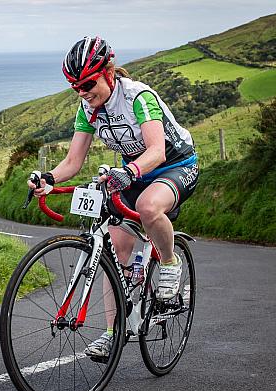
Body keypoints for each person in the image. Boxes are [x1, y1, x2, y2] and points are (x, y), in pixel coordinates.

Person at [28, 36, 199, 358]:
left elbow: (157, 151)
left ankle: (169, 262)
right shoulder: (87, 108)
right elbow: (72, 162)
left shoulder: (138, 96)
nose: (82, 92)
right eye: (75, 86)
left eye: (88, 83)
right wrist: (48, 179)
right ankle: (113, 332)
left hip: (174, 166)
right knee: (115, 250)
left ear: (108, 73)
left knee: (149, 207)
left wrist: (130, 172)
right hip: (132, 172)